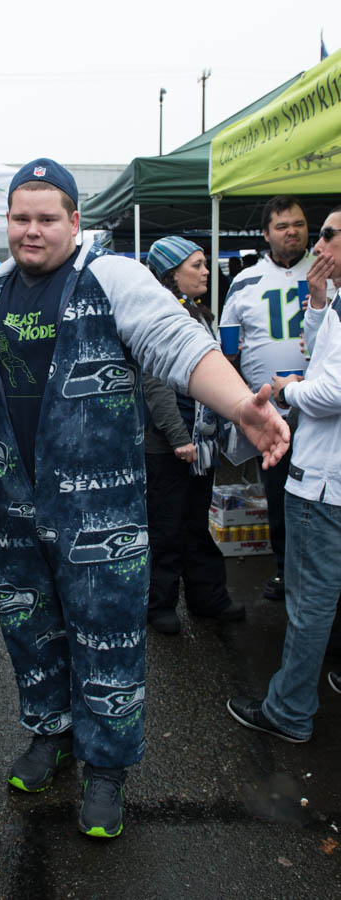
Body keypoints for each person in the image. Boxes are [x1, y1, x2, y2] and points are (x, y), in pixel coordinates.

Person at [0, 158, 289, 838]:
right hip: (15, 511)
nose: (32, 231)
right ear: (8, 222)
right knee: (31, 633)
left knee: (108, 641)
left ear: (75, 221)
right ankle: (47, 734)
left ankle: (106, 770)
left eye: (46, 217)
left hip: (101, 512)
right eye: (20, 217)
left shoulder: (110, 278)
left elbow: (180, 346)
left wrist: (245, 410)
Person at [227, 205, 341, 743]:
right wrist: (318, 303)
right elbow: (320, 354)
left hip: (323, 476)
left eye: (324, 234)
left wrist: (291, 389)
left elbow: (331, 388)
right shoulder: (330, 298)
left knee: (311, 598)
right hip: (315, 465)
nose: (315, 244)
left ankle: (290, 711)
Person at [143, 237, 244, 635]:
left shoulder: (200, 314)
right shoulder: (157, 315)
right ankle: (160, 604)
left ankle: (207, 598)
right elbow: (155, 384)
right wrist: (178, 436)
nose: (206, 272)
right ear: (172, 275)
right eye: (197, 265)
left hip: (201, 445)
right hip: (172, 445)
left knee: (196, 523)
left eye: (205, 264)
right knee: (167, 526)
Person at [220, 196, 315, 602]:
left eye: (298, 224)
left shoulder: (326, 269)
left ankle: (321, 580)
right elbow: (227, 345)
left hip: (324, 410)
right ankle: (283, 570)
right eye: (282, 226)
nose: (291, 231)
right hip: (272, 413)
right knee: (278, 497)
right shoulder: (245, 281)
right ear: (265, 234)